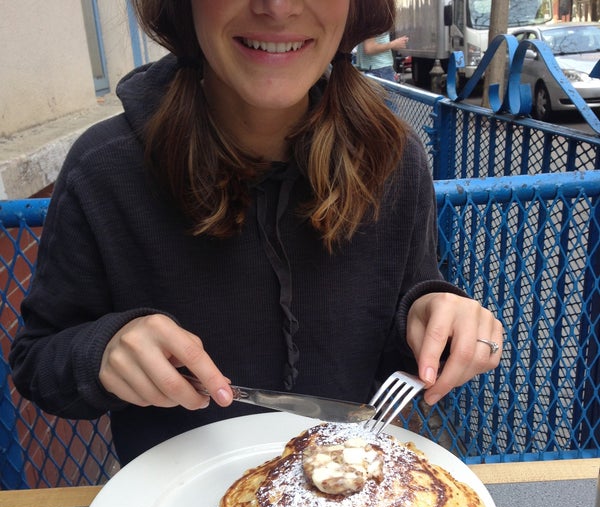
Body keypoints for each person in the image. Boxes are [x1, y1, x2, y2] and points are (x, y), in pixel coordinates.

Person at [9, 0, 503, 465]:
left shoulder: (394, 157)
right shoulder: (103, 170)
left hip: (348, 502)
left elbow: (404, 319)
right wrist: (103, 351)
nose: (277, 7)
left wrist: (434, 316)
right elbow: (37, 363)